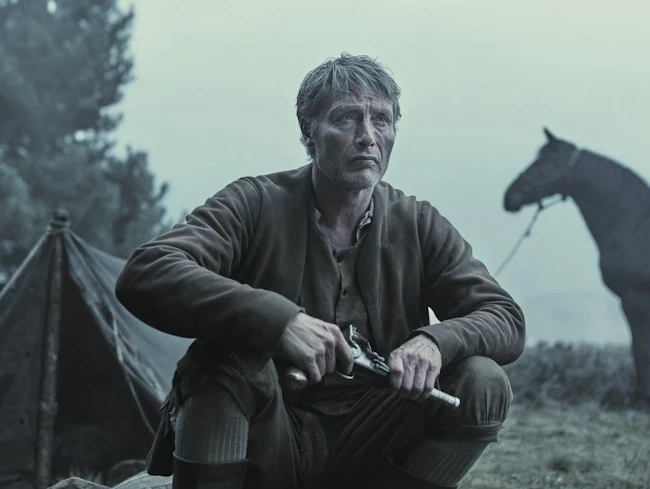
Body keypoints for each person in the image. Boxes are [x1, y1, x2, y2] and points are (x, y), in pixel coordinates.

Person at [114, 52, 526, 489]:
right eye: (346, 118)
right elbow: (148, 271)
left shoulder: (418, 223)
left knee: (482, 381)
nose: (367, 137)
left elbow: (504, 316)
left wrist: (434, 342)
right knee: (222, 359)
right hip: (264, 437)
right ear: (309, 132)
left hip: (375, 434)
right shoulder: (255, 203)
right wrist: (279, 322)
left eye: (381, 120)